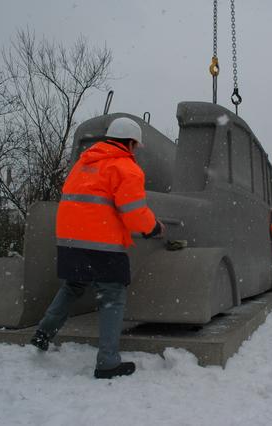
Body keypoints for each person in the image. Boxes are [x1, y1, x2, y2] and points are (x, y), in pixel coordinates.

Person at [29, 117, 165, 379]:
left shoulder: (84, 163)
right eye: (136, 145)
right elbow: (133, 212)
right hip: (102, 244)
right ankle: (107, 362)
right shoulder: (126, 168)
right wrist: (154, 228)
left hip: (69, 241)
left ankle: (43, 333)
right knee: (112, 296)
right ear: (131, 143)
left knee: (73, 286)